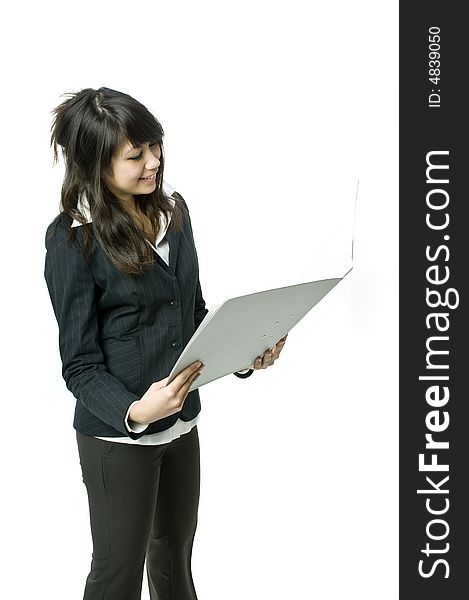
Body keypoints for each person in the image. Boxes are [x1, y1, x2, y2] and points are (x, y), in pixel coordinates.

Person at [43, 86, 287, 600]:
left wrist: (246, 353)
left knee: (174, 560)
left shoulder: (174, 210)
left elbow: (191, 315)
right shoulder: (73, 237)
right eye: (136, 156)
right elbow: (80, 365)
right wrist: (136, 411)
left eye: (156, 147)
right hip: (117, 435)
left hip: (182, 422)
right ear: (94, 164)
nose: (154, 162)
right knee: (117, 575)